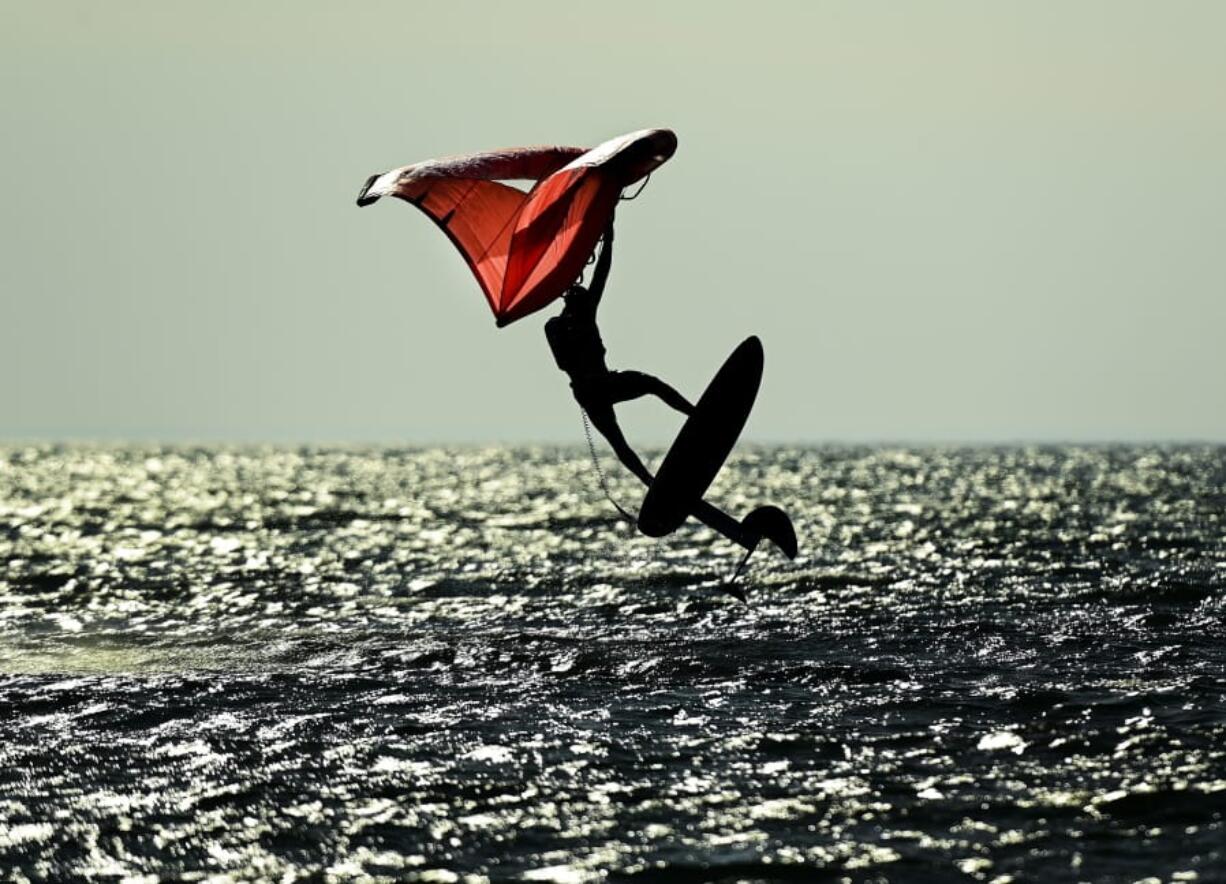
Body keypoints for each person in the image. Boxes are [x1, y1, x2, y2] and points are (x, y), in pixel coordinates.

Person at [545, 215, 693, 486]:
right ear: (569, 300)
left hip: (596, 389)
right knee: (634, 411)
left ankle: (689, 423)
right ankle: (653, 475)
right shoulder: (558, 325)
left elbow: (602, 273)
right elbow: (562, 362)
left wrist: (608, 238)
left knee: (646, 392)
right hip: (594, 389)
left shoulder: (582, 313)